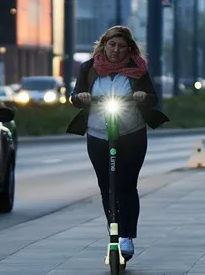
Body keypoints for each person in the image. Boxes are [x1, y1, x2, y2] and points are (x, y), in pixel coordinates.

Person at [66, 26, 169, 260]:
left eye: (122, 46)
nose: (116, 50)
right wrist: (80, 98)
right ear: (104, 45)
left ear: (129, 48)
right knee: (107, 186)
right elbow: (75, 96)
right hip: (98, 133)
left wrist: (143, 97)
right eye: (112, 45)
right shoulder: (89, 69)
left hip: (131, 133)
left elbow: (152, 97)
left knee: (126, 184)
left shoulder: (138, 70)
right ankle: (114, 232)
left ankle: (127, 235)